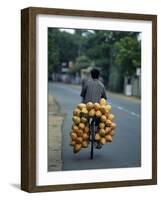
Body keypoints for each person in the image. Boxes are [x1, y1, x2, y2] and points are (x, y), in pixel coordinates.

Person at [80, 68, 107, 149]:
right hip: (97, 109)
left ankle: (84, 140)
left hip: (87, 108)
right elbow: (104, 98)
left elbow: (82, 94)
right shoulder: (101, 85)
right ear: (98, 76)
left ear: (91, 75)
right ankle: (99, 142)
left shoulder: (87, 83)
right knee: (102, 124)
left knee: (82, 123)